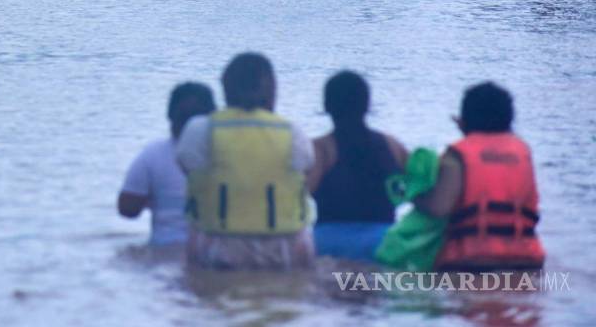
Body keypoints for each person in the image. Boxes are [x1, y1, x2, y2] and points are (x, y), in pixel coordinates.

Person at [177, 53, 315, 270]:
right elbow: (304, 174)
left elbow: (188, 170)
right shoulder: (291, 131)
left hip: (218, 242)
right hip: (284, 244)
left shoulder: (201, 129)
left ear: (226, 89)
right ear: (272, 91)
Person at [414, 83, 545, 272]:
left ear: (462, 122)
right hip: (526, 260)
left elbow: (438, 208)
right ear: (509, 120)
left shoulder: (457, 156)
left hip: (470, 262)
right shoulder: (523, 152)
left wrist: (416, 198)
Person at [307, 71, 408, 262]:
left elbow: (299, 195)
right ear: (367, 105)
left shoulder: (321, 149)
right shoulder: (393, 146)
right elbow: (412, 192)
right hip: (384, 241)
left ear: (327, 106)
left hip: (330, 242)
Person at [118, 82, 216, 247]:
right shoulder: (226, 155)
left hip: (164, 250)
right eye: (185, 118)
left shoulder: (152, 155)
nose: (189, 126)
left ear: (169, 115)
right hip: (211, 252)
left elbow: (127, 209)